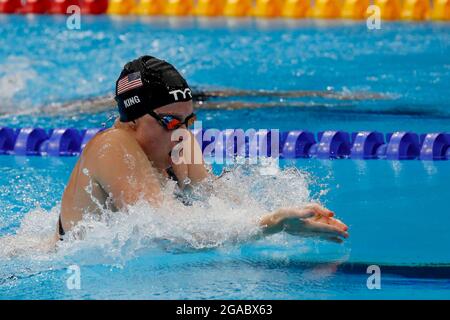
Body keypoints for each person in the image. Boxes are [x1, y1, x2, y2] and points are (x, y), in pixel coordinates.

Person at [57, 55, 348, 243]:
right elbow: (166, 230)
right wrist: (268, 223)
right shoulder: (112, 146)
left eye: (189, 121)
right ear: (133, 118)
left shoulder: (179, 143)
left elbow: (225, 205)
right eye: (170, 121)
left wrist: (287, 219)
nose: (182, 132)